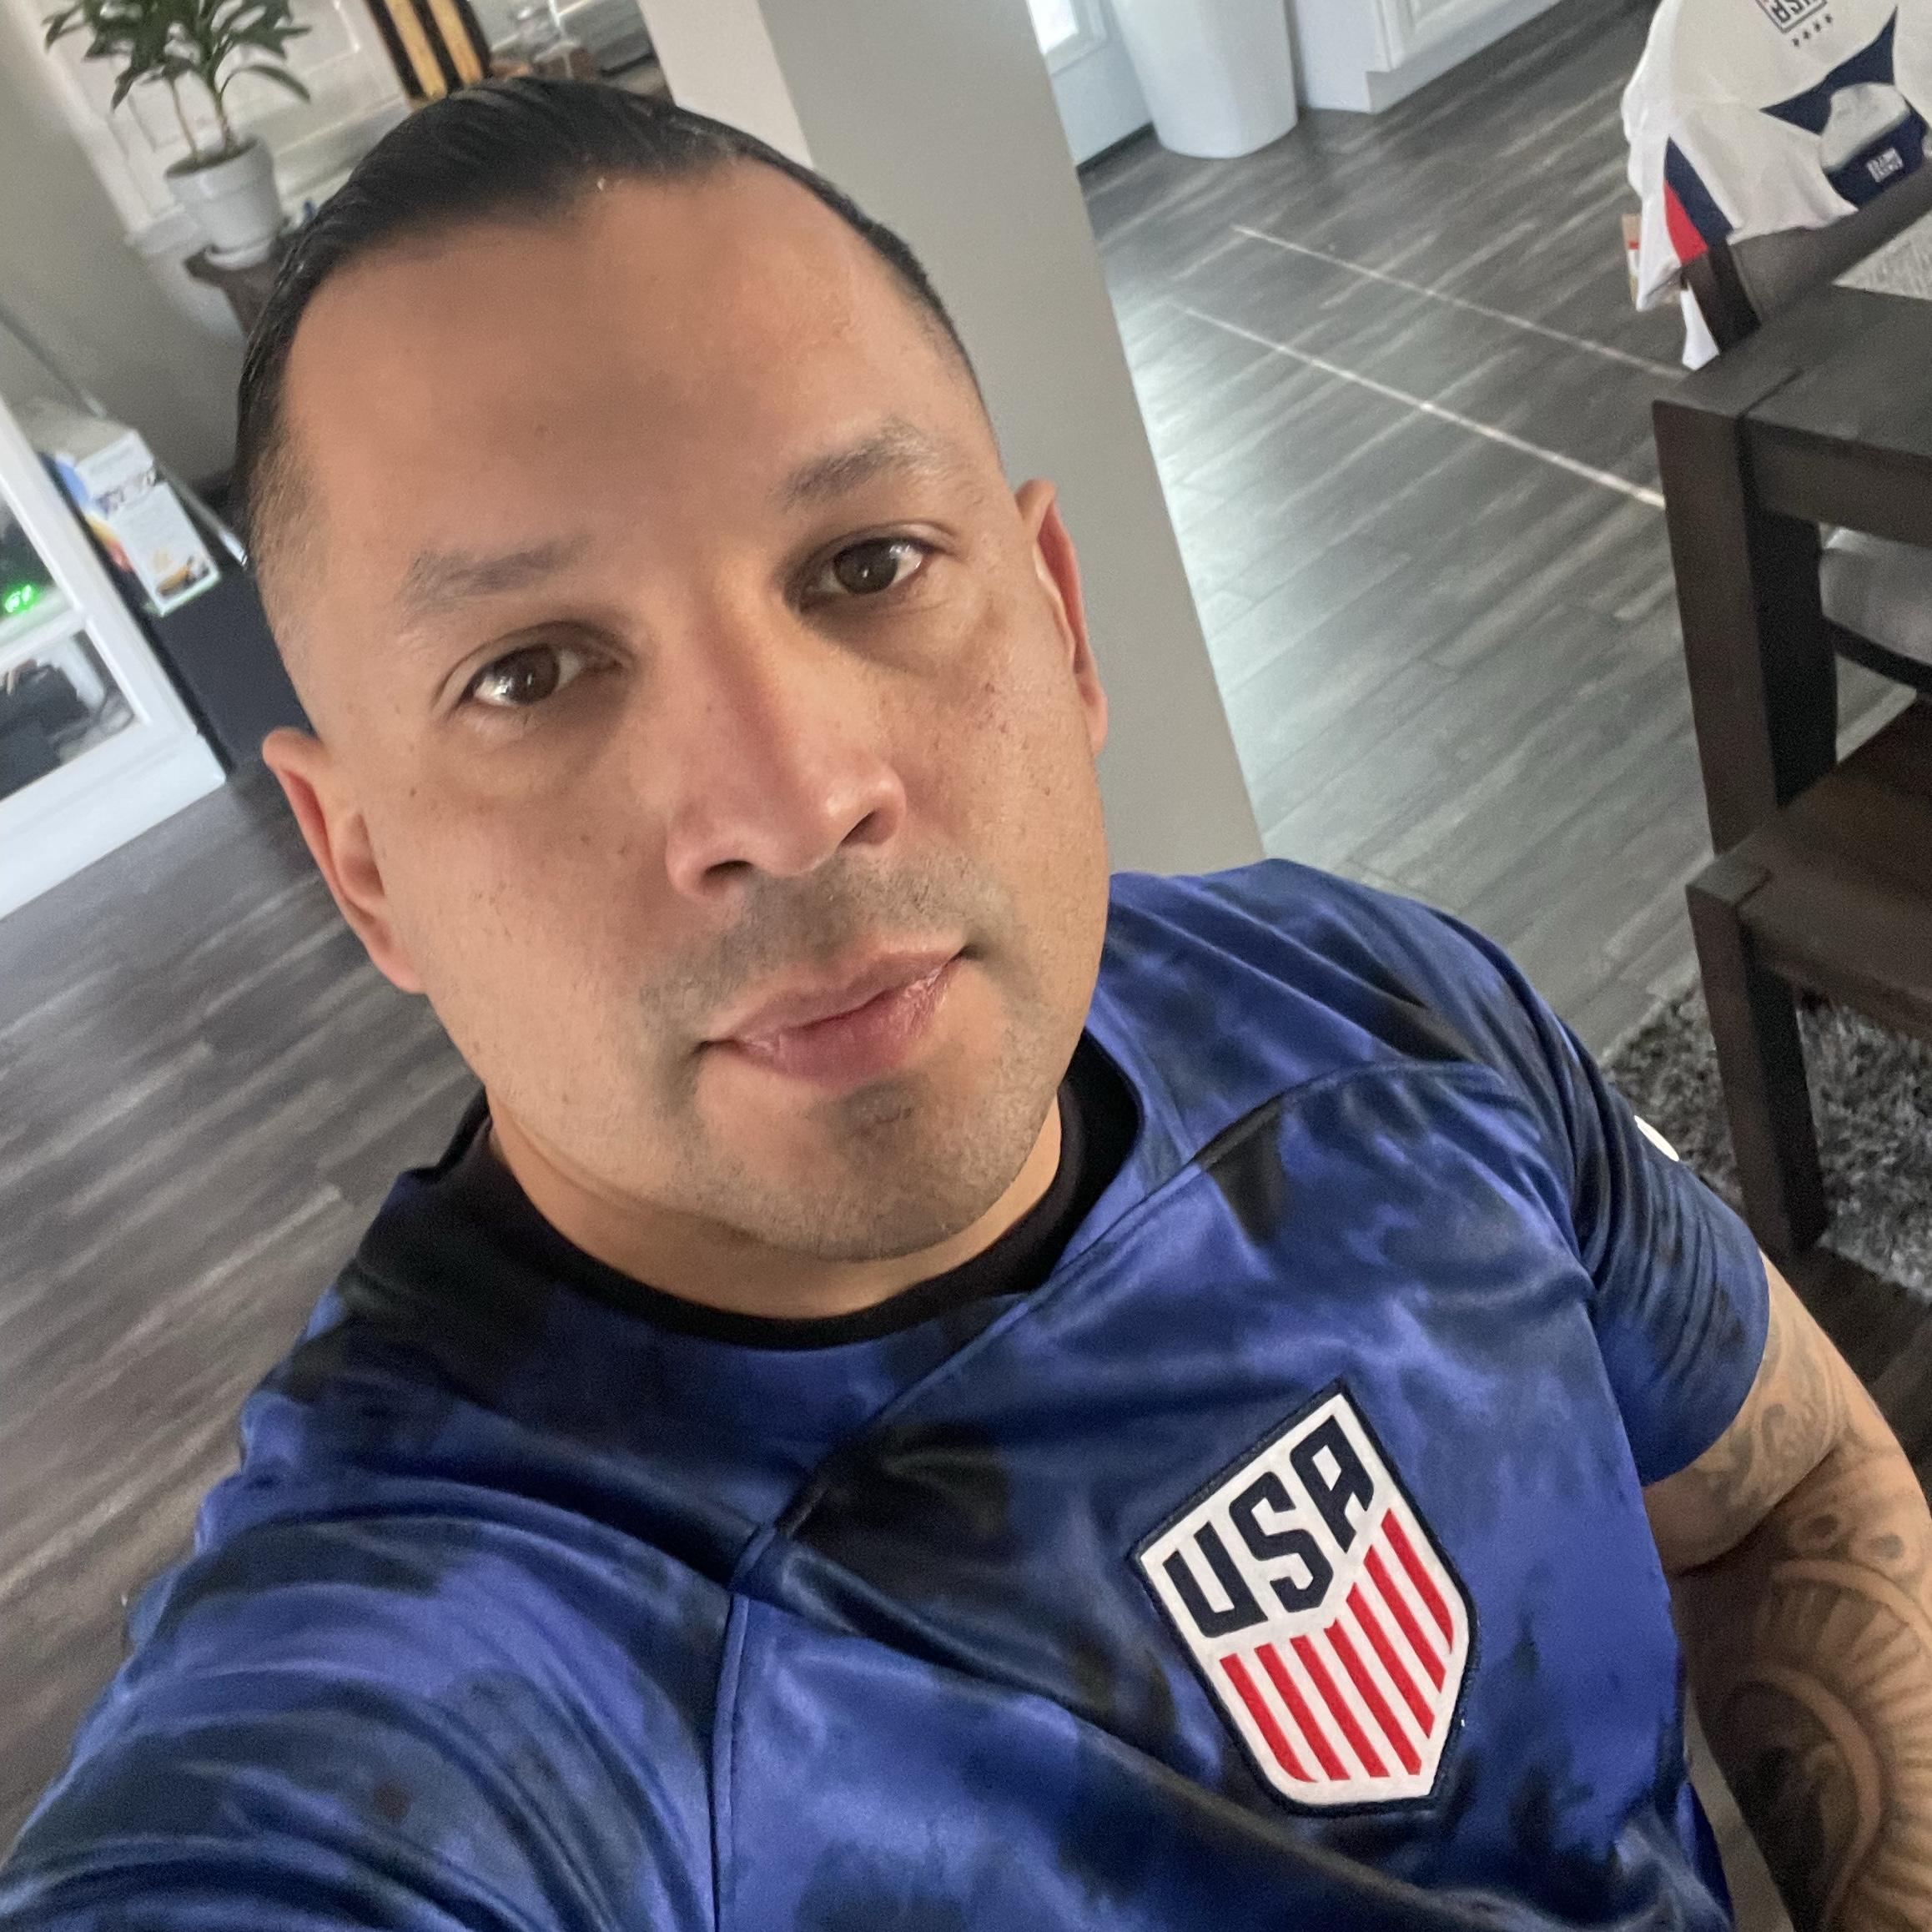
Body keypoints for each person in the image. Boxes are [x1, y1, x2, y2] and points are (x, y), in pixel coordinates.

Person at [4, 76, 1929, 1932]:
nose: (790, 798)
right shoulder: (438, 1684)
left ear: (1060, 618)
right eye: (531, 674)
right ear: (363, 869)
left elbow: (1787, 1491)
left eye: (866, 563)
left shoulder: (1358, 993)